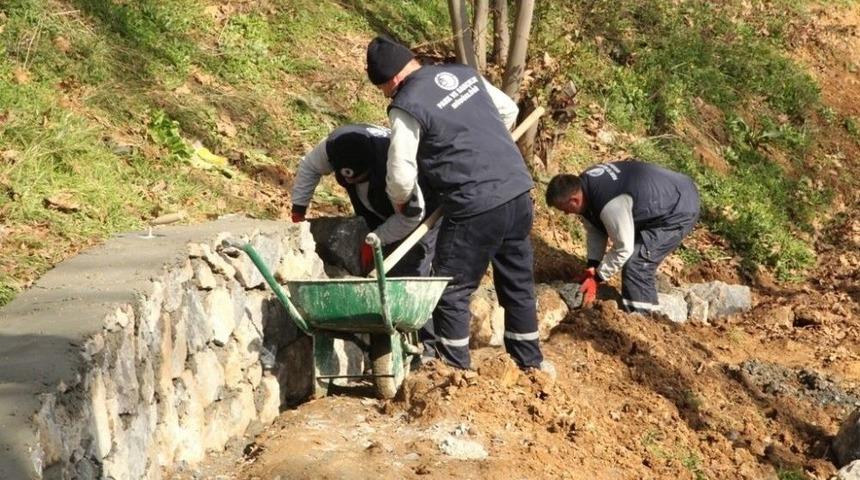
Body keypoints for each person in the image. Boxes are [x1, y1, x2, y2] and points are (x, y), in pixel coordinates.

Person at [364, 35, 550, 375]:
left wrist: (403, 205)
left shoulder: (407, 103)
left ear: (390, 80)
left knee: (451, 290)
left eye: (383, 90)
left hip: (473, 203)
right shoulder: (462, 74)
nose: (386, 96)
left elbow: (401, 174)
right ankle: (532, 365)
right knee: (518, 284)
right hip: (517, 191)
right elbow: (508, 110)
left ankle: (452, 375)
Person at [290, 123, 438, 356]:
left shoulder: (397, 163)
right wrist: (298, 211)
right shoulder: (335, 146)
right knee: (383, 281)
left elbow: (412, 217)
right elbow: (310, 167)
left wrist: (377, 239)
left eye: (362, 177)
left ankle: (430, 351)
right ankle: (389, 348)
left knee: (413, 277)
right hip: (378, 209)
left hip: (423, 214)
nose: (355, 183)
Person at [545, 160, 700, 314]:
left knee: (637, 263)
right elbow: (596, 229)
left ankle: (642, 321)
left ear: (574, 200)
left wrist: (597, 278)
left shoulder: (610, 203)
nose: (565, 213)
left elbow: (623, 248)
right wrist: (592, 266)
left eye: (564, 209)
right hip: (664, 195)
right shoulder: (584, 188)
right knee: (635, 259)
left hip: (678, 206)